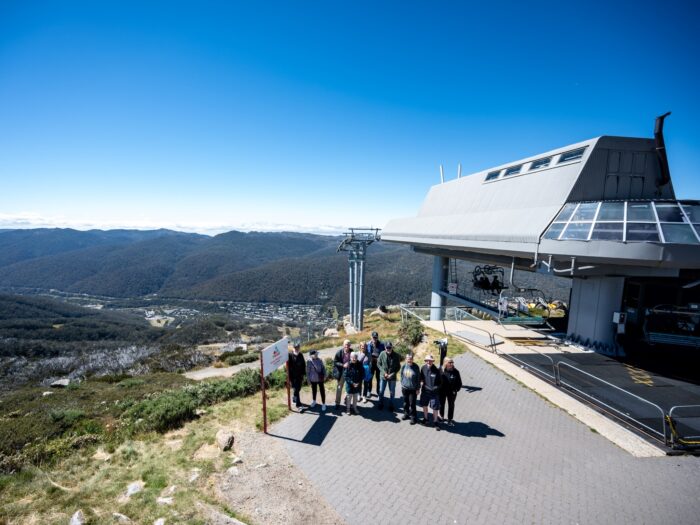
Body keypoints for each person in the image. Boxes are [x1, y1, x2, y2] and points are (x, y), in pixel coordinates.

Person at [377, 341, 401, 411]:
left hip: (392, 377)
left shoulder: (396, 355)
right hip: (383, 376)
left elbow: (398, 367)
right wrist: (384, 372)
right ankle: (380, 403)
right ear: (385, 348)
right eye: (387, 347)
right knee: (381, 391)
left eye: (389, 347)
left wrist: (393, 374)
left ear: (392, 347)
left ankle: (391, 405)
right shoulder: (382, 354)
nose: (388, 349)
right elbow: (378, 364)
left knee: (392, 392)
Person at [420, 354, 442, 430]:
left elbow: (440, 383)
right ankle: (426, 418)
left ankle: (435, 421)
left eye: (430, 361)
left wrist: (435, 388)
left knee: (435, 408)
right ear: (425, 361)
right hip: (425, 391)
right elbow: (421, 378)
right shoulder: (423, 368)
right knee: (424, 405)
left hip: (434, 393)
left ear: (433, 361)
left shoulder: (437, 371)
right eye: (427, 360)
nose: (429, 362)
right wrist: (421, 383)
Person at [439, 357, 463, 426]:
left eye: (452, 362)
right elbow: (437, 380)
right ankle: (441, 417)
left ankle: (450, 419)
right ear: (446, 363)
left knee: (451, 405)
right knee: (441, 404)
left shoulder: (456, 372)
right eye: (450, 362)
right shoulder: (441, 370)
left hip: (451, 393)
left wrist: (456, 390)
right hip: (442, 391)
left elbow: (459, 383)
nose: (452, 364)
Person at [400, 353, 421, 424]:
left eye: (410, 359)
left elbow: (418, 379)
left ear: (412, 359)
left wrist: (418, 388)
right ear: (406, 359)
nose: (409, 360)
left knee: (412, 404)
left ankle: (413, 417)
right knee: (405, 403)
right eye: (408, 359)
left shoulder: (416, 367)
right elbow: (401, 375)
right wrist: (402, 383)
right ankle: (406, 414)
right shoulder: (404, 366)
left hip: (413, 389)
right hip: (405, 388)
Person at [333, 339, 353, 411]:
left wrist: (350, 363)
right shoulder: (339, 352)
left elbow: (354, 360)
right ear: (343, 345)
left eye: (348, 345)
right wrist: (343, 365)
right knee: (339, 388)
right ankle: (337, 403)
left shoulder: (352, 351)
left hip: (349, 373)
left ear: (350, 345)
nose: (347, 346)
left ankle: (346, 401)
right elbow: (335, 362)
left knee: (348, 388)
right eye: (345, 345)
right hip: (341, 373)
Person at [366, 331, 385, 397]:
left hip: (378, 365)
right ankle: (369, 391)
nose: (374, 339)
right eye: (373, 337)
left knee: (378, 378)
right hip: (371, 364)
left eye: (376, 337)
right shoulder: (368, 344)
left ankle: (378, 391)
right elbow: (366, 353)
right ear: (371, 337)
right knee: (370, 378)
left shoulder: (381, 345)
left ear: (377, 337)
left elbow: (384, 354)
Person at [288, 342, 306, 409]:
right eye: (295, 347)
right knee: (296, 388)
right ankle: (298, 404)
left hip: (300, 375)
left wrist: (303, 374)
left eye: (298, 347)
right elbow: (289, 366)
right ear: (293, 348)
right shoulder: (290, 355)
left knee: (298, 388)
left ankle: (294, 398)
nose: (297, 349)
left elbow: (304, 364)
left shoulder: (300, 354)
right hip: (293, 376)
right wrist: (290, 376)